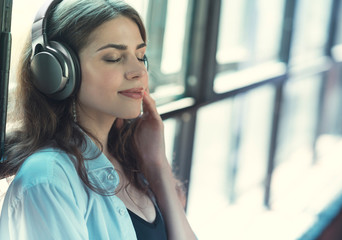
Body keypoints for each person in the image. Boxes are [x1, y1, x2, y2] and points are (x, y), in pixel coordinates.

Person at [0, 0, 196, 239]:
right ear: (56, 70)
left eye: (141, 56)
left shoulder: (130, 161)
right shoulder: (48, 180)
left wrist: (158, 165)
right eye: (114, 57)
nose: (140, 72)